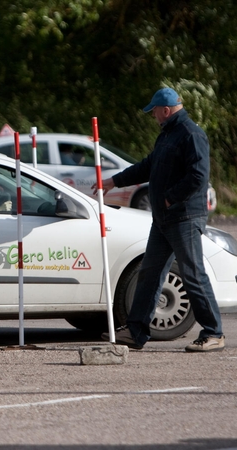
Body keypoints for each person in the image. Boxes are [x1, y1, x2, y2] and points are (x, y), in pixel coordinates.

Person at [95, 87, 225, 352]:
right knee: (150, 274)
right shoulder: (167, 135)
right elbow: (147, 166)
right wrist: (113, 182)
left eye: (154, 111)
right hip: (163, 219)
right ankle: (136, 332)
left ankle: (213, 333)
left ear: (165, 110)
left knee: (192, 274)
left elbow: (198, 176)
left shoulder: (191, 134)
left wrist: (169, 198)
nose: (153, 115)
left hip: (184, 217)